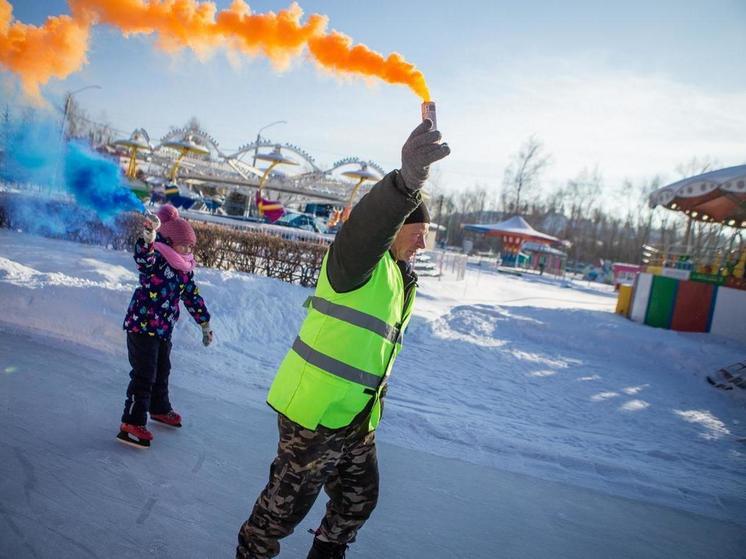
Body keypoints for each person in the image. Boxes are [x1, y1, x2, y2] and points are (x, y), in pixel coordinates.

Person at [236, 119, 450, 559]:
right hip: (315, 414)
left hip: (355, 418)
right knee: (281, 512)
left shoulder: (397, 276)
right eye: (419, 232)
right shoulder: (355, 265)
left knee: (358, 500)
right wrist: (407, 181)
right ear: (394, 229)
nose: (424, 243)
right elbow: (367, 225)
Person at [117, 204, 214, 448]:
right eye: (184, 245)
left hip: (163, 330)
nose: (188, 249)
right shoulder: (157, 260)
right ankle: (132, 420)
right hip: (141, 327)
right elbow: (143, 258)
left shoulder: (183, 270)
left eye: (191, 246)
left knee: (162, 370)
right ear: (169, 242)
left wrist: (205, 323)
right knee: (144, 374)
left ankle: (159, 407)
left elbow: (192, 297)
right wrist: (148, 236)